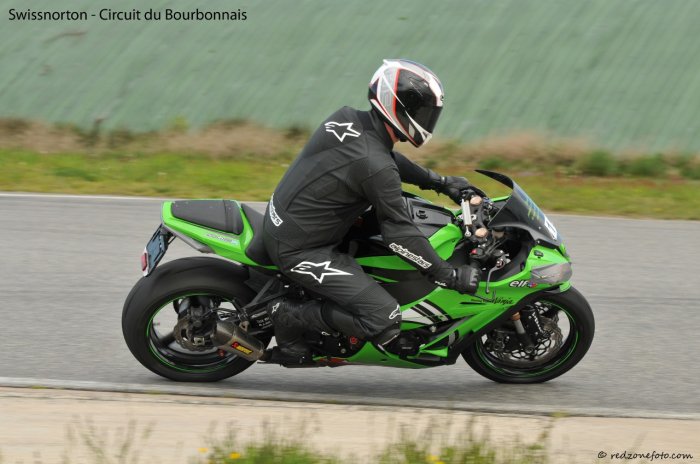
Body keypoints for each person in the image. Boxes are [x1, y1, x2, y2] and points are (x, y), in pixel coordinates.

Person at [261, 59, 480, 365]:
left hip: (290, 222)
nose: (426, 120)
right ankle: (288, 314)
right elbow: (399, 234)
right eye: (422, 112)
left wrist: (440, 183)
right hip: (300, 249)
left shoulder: (349, 120)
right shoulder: (374, 165)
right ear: (397, 106)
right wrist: (447, 275)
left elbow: (385, 159)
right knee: (383, 316)